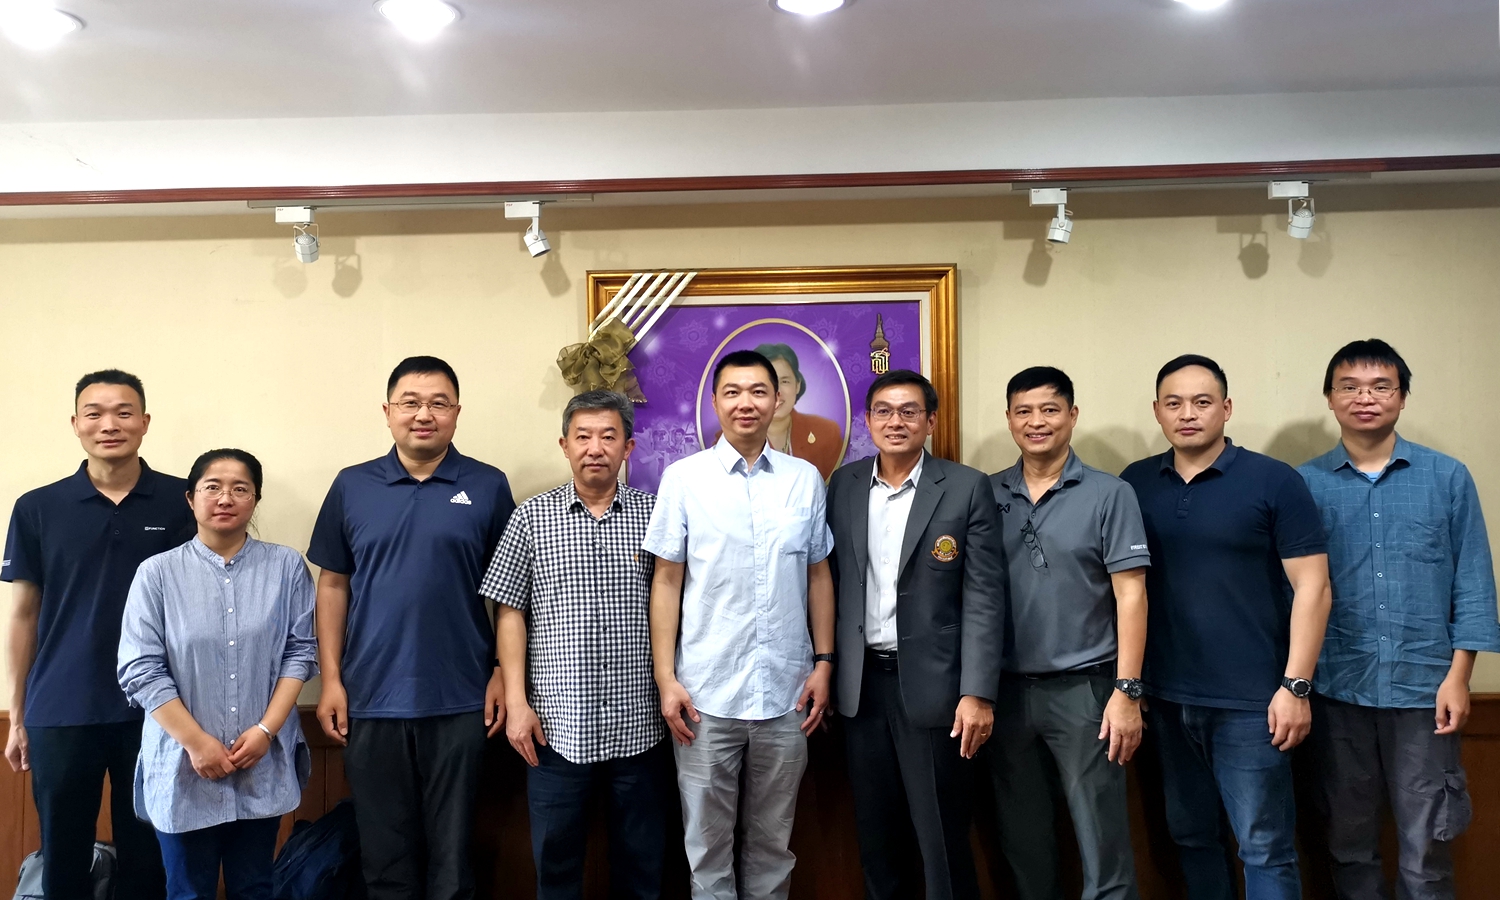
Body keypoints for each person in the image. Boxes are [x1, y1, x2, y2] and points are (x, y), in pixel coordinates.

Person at [1119, 354, 1331, 900]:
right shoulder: (1134, 483)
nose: (1187, 414)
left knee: (1265, 848)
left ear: (1227, 408)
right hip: (1165, 699)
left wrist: (1296, 686)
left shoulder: (1274, 480)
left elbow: (1314, 587)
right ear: (1157, 412)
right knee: (1191, 837)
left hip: (1254, 704)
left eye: (1202, 401)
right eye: (1174, 403)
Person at [308, 356, 516, 900]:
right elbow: (332, 586)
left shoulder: (488, 485)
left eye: (438, 403)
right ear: (388, 411)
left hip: (463, 698)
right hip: (370, 697)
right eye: (411, 403)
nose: (424, 414)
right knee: (385, 859)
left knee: (453, 860)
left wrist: (502, 671)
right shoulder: (353, 485)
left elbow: (512, 594)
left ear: (456, 413)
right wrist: (331, 680)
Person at [1298, 339, 1500, 900]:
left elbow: (1473, 583)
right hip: (1337, 688)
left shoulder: (1447, 477)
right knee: (1347, 843)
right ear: (1330, 398)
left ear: (1403, 397)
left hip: (1425, 691)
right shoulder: (1303, 485)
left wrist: (1460, 677)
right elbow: (1289, 592)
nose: (1365, 398)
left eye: (1381, 386)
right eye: (1350, 387)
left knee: (1427, 848)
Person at [644, 349, 836, 900]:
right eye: (732, 392)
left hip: (786, 694)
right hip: (704, 696)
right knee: (706, 850)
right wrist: (666, 678)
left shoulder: (804, 479)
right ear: (715, 401)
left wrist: (824, 662)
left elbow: (818, 576)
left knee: (773, 847)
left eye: (758, 391)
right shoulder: (684, 479)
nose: (745, 403)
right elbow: (667, 582)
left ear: (778, 399)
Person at [3, 369, 191, 900]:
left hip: (158, 708)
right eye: (95, 413)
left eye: (124, 412)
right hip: (62, 707)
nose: (110, 424)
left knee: (150, 857)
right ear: (75, 424)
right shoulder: (38, 507)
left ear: (145, 422)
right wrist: (17, 716)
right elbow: (23, 615)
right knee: (62, 856)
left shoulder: (183, 500)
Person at [481, 390, 670, 900]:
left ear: (628, 447)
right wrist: (516, 703)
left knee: (643, 869)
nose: (595, 448)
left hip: (641, 725)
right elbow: (509, 612)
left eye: (608, 436)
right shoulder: (531, 517)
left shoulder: (657, 516)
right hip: (556, 728)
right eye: (582, 436)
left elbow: (677, 604)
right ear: (564, 445)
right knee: (556, 870)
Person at [824, 368, 1003, 900]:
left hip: (936, 691)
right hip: (861, 690)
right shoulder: (845, 485)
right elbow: (828, 582)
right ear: (868, 420)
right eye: (883, 411)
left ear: (931, 421)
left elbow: (985, 598)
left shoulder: (965, 486)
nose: (895, 422)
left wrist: (977, 692)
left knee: (941, 841)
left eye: (909, 412)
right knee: (877, 840)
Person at [118, 449, 316, 900]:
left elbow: (300, 653)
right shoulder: (157, 574)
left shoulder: (286, 567)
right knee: (187, 892)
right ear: (191, 498)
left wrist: (266, 730)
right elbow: (140, 668)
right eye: (213, 487)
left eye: (240, 488)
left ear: (255, 500)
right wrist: (196, 742)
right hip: (182, 763)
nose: (225, 498)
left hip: (260, 760)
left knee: (255, 887)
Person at [987, 367, 1148, 900]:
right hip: (1006, 693)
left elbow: (1131, 595)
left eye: (1050, 410)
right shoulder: (985, 493)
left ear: (1072, 415)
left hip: (1086, 692)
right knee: (1023, 840)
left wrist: (1127, 691)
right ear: (1009, 419)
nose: (1037, 422)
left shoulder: (1110, 493)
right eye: (1024, 411)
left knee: (1102, 839)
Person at [756, 343, 844, 480]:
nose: (776, 392)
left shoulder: (826, 433)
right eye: (766, 383)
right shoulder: (730, 440)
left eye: (784, 381)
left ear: (797, 385)